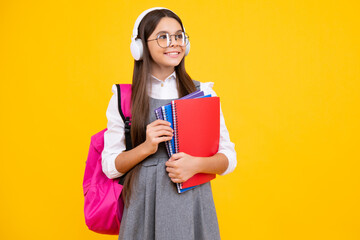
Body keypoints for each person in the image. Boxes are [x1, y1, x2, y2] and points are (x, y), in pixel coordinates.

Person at [102, 7, 237, 240]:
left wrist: (195, 165)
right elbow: (110, 166)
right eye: (162, 37)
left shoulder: (203, 92)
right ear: (141, 47)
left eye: (178, 36)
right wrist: (146, 146)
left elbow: (229, 158)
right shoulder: (123, 97)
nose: (173, 43)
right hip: (142, 208)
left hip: (192, 205)